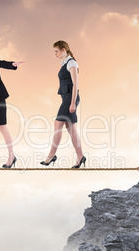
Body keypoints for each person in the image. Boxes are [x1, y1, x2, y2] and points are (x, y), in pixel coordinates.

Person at [41, 40, 85, 168]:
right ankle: (81, 157)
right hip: (66, 97)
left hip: (70, 98)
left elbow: (76, 84)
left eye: (56, 51)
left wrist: (72, 103)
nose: (55, 54)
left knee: (57, 124)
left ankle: (51, 156)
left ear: (64, 50)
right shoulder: (66, 63)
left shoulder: (71, 62)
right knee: (71, 129)